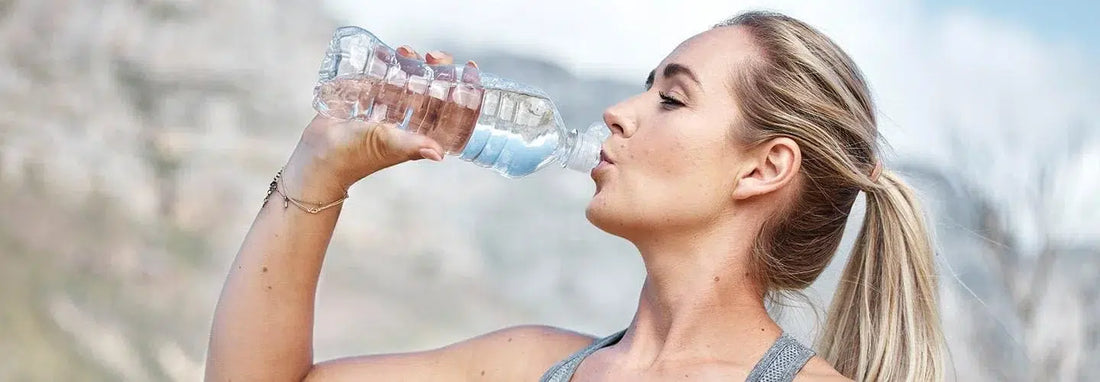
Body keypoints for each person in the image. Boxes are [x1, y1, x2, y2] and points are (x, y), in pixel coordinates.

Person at [205, 10, 944, 382]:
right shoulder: (531, 365)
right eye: (646, 85)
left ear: (762, 169)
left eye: (673, 100)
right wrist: (317, 170)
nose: (622, 111)